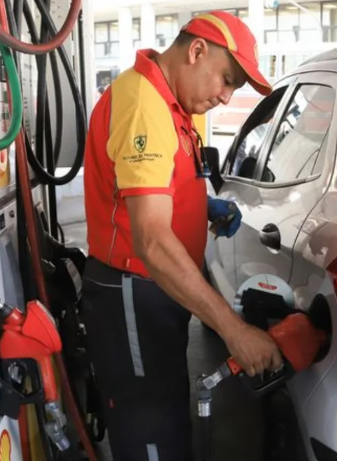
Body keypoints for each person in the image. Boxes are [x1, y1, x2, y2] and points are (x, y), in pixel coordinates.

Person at [80, 11, 282, 461]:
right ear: (196, 51)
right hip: (132, 291)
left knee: (166, 413)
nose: (226, 96)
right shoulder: (143, 103)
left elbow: (151, 188)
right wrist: (233, 330)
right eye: (227, 80)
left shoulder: (171, 104)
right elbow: (150, 240)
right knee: (152, 432)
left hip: (157, 290)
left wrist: (200, 206)